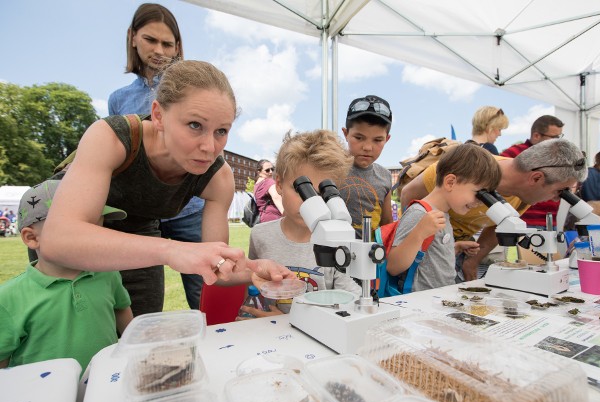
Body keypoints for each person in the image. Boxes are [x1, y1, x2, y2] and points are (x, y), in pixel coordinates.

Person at [40, 60, 293, 317]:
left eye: (221, 131)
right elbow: (58, 241)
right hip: (66, 223)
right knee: (78, 329)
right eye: (195, 125)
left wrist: (253, 270)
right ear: (159, 115)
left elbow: (219, 268)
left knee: (142, 327)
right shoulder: (111, 137)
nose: (209, 146)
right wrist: (172, 250)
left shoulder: (218, 177)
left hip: (141, 230)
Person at [107, 3, 204, 310]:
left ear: (178, 47)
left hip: (188, 208)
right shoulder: (119, 100)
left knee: (204, 291)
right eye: (151, 40)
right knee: (140, 303)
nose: (160, 51)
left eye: (168, 43)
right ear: (133, 37)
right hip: (138, 215)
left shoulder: (191, 87)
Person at [400, 138, 587, 281]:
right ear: (536, 178)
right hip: (422, 248)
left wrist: (472, 262)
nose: (556, 199)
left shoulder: (523, 196)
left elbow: (497, 227)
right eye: (559, 191)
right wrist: (411, 241)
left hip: (455, 249)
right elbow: (408, 194)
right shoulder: (466, 170)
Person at [0, 180, 133, 373]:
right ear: (32, 238)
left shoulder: (107, 273)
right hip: (45, 398)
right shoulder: (9, 298)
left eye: (98, 228)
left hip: (103, 386)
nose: (95, 239)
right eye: (80, 231)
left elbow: (121, 308)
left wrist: (133, 350)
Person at [240, 130, 362, 318]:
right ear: (279, 184)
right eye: (302, 190)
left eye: (321, 193)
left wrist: (286, 321)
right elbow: (256, 288)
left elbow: (351, 300)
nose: (309, 203)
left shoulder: (336, 240)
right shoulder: (260, 235)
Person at [387, 144, 501, 291]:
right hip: (421, 302)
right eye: (478, 193)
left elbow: (427, 257)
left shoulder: (443, 214)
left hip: (439, 298)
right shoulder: (419, 213)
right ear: (450, 182)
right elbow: (393, 266)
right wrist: (419, 232)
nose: (479, 203)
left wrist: (455, 248)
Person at [338, 95, 393, 239]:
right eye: (359, 137)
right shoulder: (329, 169)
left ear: (387, 139)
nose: (368, 147)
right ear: (345, 133)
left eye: (377, 140)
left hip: (369, 257)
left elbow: (386, 224)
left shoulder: (385, 176)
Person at [500, 115, 565, 228]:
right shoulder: (514, 154)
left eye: (560, 137)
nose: (557, 142)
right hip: (521, 222)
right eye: (554, 137)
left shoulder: (557, 158)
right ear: (536, 135)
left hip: (550, 222)